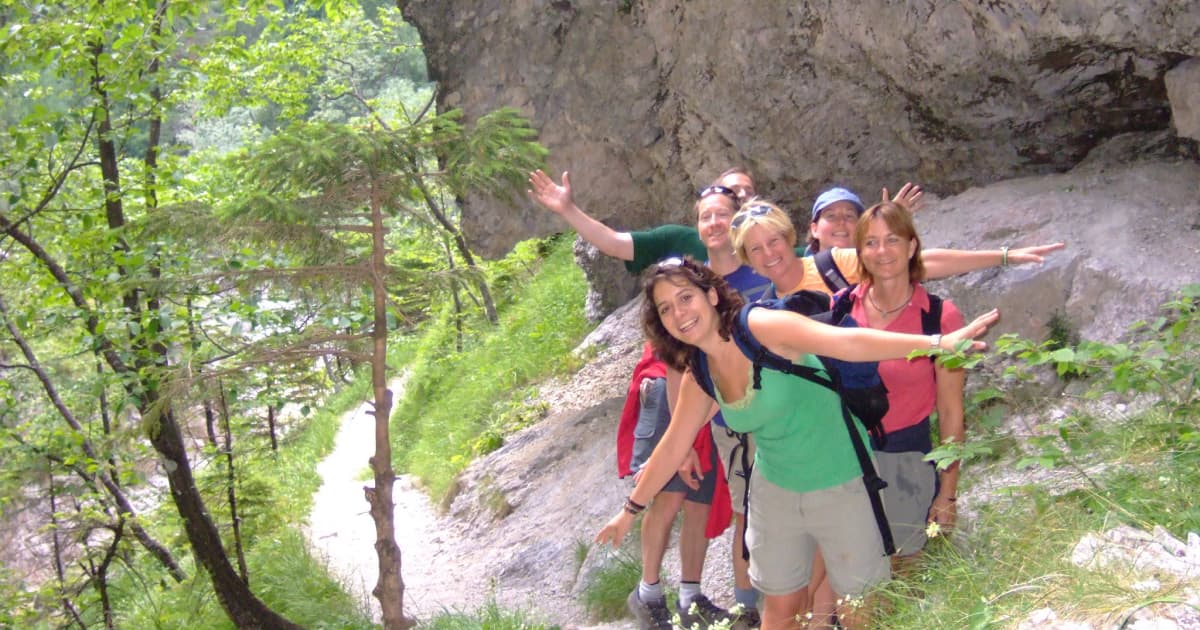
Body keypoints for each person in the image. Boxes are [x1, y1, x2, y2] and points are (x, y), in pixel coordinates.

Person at [594, 257, 1000, 630]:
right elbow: (672, 444)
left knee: (859, 610)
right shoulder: (701, 368)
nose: (679, 313)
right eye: (666, 308)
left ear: (712, 295)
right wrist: (629, 512)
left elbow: (848, 345)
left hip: (840, 479)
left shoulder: (761, 329)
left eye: (685, 298)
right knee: (780, 612)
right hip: (776, 491)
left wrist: (937, 344)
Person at [528, 170, 767, 627]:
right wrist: (567, 210)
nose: (722, 215)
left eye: (741, 197)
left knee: (700, 494)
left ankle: (690, 595)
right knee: (673, 488)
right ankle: (649, 591)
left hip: (720, 400)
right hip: (672, 384)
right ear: (699, 217)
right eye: (712, 209)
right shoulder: (682, 245)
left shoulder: (760, 257)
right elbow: (618, 244)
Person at [848, 200, 967, 557]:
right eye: (870, 242)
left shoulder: (939, 318)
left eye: (892, 240)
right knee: (848, 572)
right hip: (845, 456)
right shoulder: (842, 308)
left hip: (907, 456)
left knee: (904, 568)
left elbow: (950, 412)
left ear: (912, 246)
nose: (881, 251)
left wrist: (947, 493)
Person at [731, 199, 1066, 299]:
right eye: (756, 249)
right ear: (748, 260)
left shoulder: (831, 265)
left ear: (790, 239)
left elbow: (916, 263)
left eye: (773, 241)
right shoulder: (765, 309)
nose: (769, 254)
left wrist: (1004, 256)